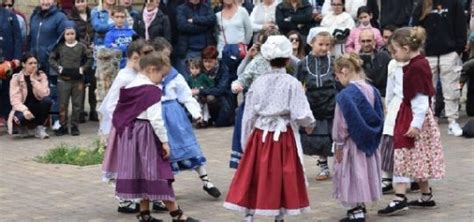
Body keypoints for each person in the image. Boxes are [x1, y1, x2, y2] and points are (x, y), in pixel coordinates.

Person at [224, 35, 315, 222]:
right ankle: (279, 214)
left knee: (255, 173)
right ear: (288, 59)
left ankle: (249, 214)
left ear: (266, 58)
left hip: (260, 135)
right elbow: (301, 112)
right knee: (281, 174)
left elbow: (249, 115)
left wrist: (245, 140)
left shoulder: (258, 83)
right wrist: (309, 125)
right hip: (282, 137)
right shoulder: (292, 83)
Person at [110, 51, 199, 222]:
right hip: (146, 134)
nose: (162, 79)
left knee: (142, 173)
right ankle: (178, 215)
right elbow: (156, 119)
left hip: (131, 135)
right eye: (162, 75)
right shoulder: (151, 90)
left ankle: (145, 214)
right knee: (157, 173)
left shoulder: (130, 86)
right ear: (152, 70)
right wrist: (165, 142)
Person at [378, 27, 445, 216]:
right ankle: (426, 195)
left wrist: (415, 124)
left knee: (402, 154)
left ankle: (400, 197)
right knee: (417, 157)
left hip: (412, 116)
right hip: (412, 114)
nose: (393, 55)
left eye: (395, 51)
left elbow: (421, 99)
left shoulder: (416, 69)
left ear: (406, 48)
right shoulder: (417, 64)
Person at [154, 37, 222, 199]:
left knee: (188, 145)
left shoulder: (174, 76)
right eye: (162, 56)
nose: (166, 61)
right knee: (164, 152)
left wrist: (196, 113)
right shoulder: (148, 76)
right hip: (157, 115)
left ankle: (206, 181)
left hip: (175, 116)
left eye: (168, 57)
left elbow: (186, 95)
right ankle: (165, 188)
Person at [332, 52, 384, 222]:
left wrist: (338, 144)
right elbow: (379, 115)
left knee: (351, 174)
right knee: (364, 173)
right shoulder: (373, 91)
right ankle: (361, 205)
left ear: (344, 70)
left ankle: (356, 210)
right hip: (369, 140)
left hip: (352, 144)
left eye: (337, 74)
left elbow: (341, 125)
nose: (337, 78)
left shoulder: (345, 96)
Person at [412, 0, 467, 137]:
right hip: (428, 54)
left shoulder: (454, 3)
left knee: (451, 89)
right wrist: (420, 50)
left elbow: (460, 25)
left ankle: (452, 121)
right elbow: (415, 27)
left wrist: (458, 49)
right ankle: (429, 122)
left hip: (449, 53)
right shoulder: (423, 4)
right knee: (427, 91)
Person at [229, 29, 279, 169]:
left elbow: (297, 66)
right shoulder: (257, 61)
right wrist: (238, 85)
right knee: (250, 138)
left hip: (276, 107)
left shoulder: (283, 62)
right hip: (254, 106)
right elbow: (242, 76)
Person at [296, 27, 337, 181]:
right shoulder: (303, 64)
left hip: (331, 102)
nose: (324, 48)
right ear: (311, 43)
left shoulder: (333, 62)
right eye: (321, 44)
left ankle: (339, 166)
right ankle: (323, 166)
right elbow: (297, 83)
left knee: (333, 135)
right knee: (319, 137)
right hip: (312, 102)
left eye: (327, 45)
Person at [29, 0, 69, 131]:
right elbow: (31, 37)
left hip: (52, 60)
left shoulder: (60, 17)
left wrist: (50, 51)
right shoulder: (35, 16)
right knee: (38, 90)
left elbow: (64, 37)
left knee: (54, 90)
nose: (45, 1)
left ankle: (57, 119)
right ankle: (42, 120)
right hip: (36, 60)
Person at [49, 24, 93, 136]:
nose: (70, 36)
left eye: (72, 34)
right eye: (67, 34)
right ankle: (63, 126)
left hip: (78, 80)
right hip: (63, 80)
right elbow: (51, 58)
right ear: (64, 35)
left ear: (76, 34)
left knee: (77, 104)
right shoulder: (60, 47)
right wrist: (59, 68)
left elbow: (90, 58)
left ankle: (74, 126)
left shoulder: (81, 47)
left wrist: (83, 69)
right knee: (63, 104)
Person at [8, 53, 51, 139]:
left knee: (47, 101)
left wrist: (33, 80)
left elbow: (45, 93)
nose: (33, 65)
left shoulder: (42, 76)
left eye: (35, 63)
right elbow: (15, 100)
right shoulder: (16, 78)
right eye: (30, 63)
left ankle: (39, 128)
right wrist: (24, 110)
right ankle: (22, 127)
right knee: (19, 118)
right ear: (23, 64)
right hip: (23, 108)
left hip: (37, 107)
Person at [69, 0, 98, 123]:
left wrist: (94, 43)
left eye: (83, 1)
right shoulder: (70, 17)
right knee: (79, 83)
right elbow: (72, 35)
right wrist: (84, 45)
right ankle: (79, 111)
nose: (81, 4)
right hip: (79, 54)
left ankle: (93, 110)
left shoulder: (94, 15)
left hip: (94, 53)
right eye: (78, 2)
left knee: (93, 82)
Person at [192, 46, 235, 127]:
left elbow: (220, 90)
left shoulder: (223, 69)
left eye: (210, 62)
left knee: (210, 97)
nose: (207, 64)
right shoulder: (199, 68)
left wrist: (201, 91)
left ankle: (215, 118)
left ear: (216, 60)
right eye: (205, 61)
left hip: (223, 99)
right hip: (203, 97)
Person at [175, 0, 217, 78]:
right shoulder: (181, 9)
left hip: (206, 51)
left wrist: (194, 20)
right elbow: (183, 26)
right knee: (189, 81)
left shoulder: (207, 7)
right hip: (189, 51)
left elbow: (212, 20)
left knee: (206, 81)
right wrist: (204, 26)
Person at [216, 0, 253, 78]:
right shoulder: (218, 15)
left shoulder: (242, 11)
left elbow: (249, 31)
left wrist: (244, 45)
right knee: (225, 79)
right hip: (224, 53)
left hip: (241, 53)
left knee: (239, 78)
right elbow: (218, 35)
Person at [0, 4, 21, 129]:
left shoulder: (10, 15)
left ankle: (6, 115)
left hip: (7, 60)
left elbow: (18, 38)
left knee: (7, 88)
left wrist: (17, 57)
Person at [358, 29, 391, 98]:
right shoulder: (354, 59)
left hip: (383, 95)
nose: (366, 44)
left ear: (374, 41)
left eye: (368, 41)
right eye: (363, 41)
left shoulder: (384, 56)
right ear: (359, 42)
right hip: (363, 97)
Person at [186, 58, 214, 128]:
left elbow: (211, 84)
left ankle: (205, 120)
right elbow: (186, 87)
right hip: (194, 97)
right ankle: (198, 120)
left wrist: (204, 89)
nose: (194, 70)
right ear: (189, 69)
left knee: (205, 107)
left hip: (202, 96)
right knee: (194, 106)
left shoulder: (203, 76)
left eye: (197, 68)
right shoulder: (189, 78)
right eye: (192, 68)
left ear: (200, 69)